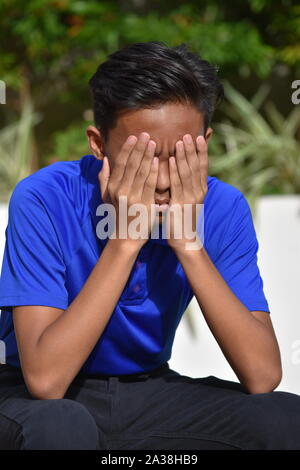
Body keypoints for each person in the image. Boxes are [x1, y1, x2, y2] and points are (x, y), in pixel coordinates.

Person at [0, 41, 300, 451]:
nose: (161, 179)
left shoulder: (222, 208)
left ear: (204, 143)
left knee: (284, 419)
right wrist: (125, 239)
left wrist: (189, 243)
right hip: (31, 397)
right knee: (61, 427)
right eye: (140, 157)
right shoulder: (43, 198)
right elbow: (46, 381)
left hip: (148, 391)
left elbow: (263, 374)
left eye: (179, 156)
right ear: (98, 144)